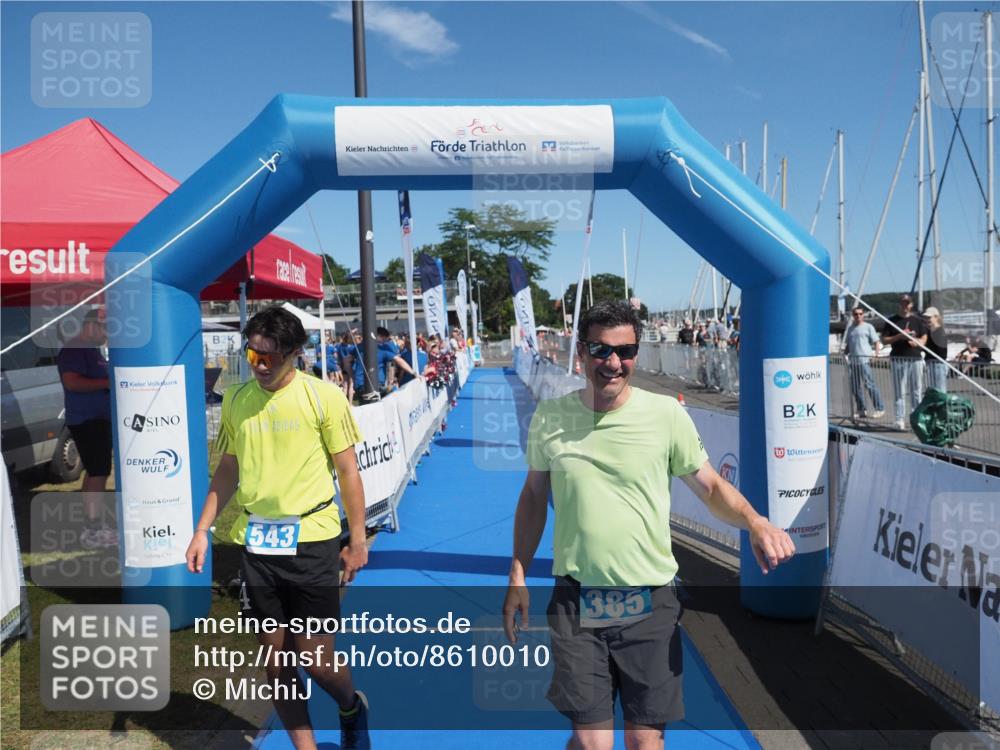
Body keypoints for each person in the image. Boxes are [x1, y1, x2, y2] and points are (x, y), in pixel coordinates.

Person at [503, 300, 794, 750]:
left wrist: (756, 522)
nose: (614, 363)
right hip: (576, 601)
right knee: (595, 743)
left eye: (626, 351)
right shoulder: (551, 418)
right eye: (601, 351)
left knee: (644, 742)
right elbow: (534, 497)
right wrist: (518, 574)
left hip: (649, 603)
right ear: (581, 353)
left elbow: (711, 487)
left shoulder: (667, 415)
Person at [184, 306, 371, 750]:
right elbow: (228, 470)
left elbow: (348, 471)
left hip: (313, 539)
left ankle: (350, 706)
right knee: (275, 661)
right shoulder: (237, 399)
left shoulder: (323, 397)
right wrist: (201, 530)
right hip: (257, 545)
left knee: (315, 657)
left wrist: (358, 539)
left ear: (294, 353)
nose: (261, 365)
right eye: (253, 356)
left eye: (270, 357)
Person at [57, 309, 116, 548]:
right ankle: (93, 530)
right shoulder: (74, 349)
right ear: (92, 325)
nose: (109, 335)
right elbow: (71, 382)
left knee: (96, 471)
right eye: (106, 329)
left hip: (97, 420)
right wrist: (106, 382)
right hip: (87, 421)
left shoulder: (91, 351)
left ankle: (92, 526)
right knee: (98, 472)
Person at [881, 294, 928, 430]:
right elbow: (884, 340)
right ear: (899, 304)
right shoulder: (891, 321)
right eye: (903, 303)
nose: (905, 306)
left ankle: (915, 419)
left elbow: (924, 337)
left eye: (907, 303)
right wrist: (899, 336)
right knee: (899, 391)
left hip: (916, 359)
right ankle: (899, 419)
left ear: (911, 305)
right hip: (898, 359)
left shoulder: (917, 321)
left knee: (916, 391)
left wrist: (917, 342)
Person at [842, 307, 885, 419]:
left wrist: (876, 354)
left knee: (870, 384)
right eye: (856, 314)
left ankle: (879, 408)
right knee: (856, 387)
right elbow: (848, 344)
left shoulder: (868, 327)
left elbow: (876, 341)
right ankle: (861, 409)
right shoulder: (851, 329)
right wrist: (844, 354)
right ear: (853, 315)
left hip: (864, 360)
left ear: (863, 315)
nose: (858, 316)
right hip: (853, 361)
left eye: (860, 314)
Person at [922, 307, 948, 393]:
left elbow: (942, 352)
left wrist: (925, 345)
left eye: (929, 317)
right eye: (926, 318)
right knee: (933, 390)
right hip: (930, 363)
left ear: (936, 317)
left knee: (940, 391)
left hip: (938, 363)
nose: (927, 320)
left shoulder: (940, 331)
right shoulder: (929, 331)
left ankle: (942, 406)